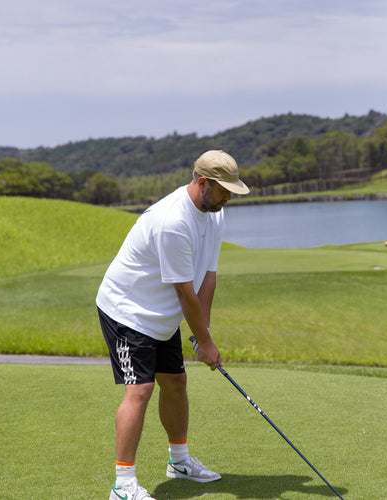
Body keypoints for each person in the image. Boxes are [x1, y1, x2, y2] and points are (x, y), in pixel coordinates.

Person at [96, 150, 250, 500]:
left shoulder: (214, 214)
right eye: (224, 190)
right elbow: (185, 293)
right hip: (128, 309)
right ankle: (122, 486)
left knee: (176, 383)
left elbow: (207, 278)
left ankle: (179, 461)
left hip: (161, 313)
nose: (228, 197)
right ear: (201, 182)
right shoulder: (173, 222)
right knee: (140, 389)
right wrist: (206, 341)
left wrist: (201, 335)